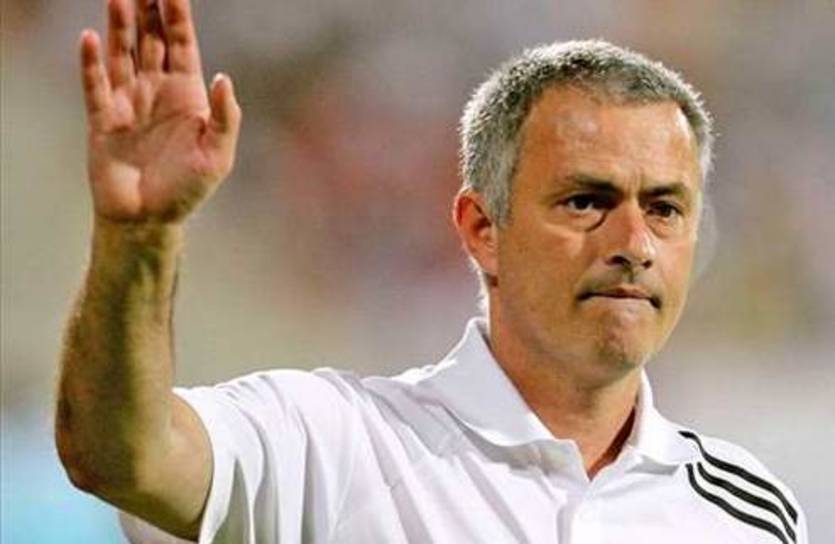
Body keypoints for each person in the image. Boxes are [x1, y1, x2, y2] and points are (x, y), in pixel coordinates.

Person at [55, 0, 807, 542]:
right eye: (586, 201)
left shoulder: (750, 516)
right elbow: (123, 456)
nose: (634, 242)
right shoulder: (339, 444)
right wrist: (140, 236)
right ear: (482, 230)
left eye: (666, 208)